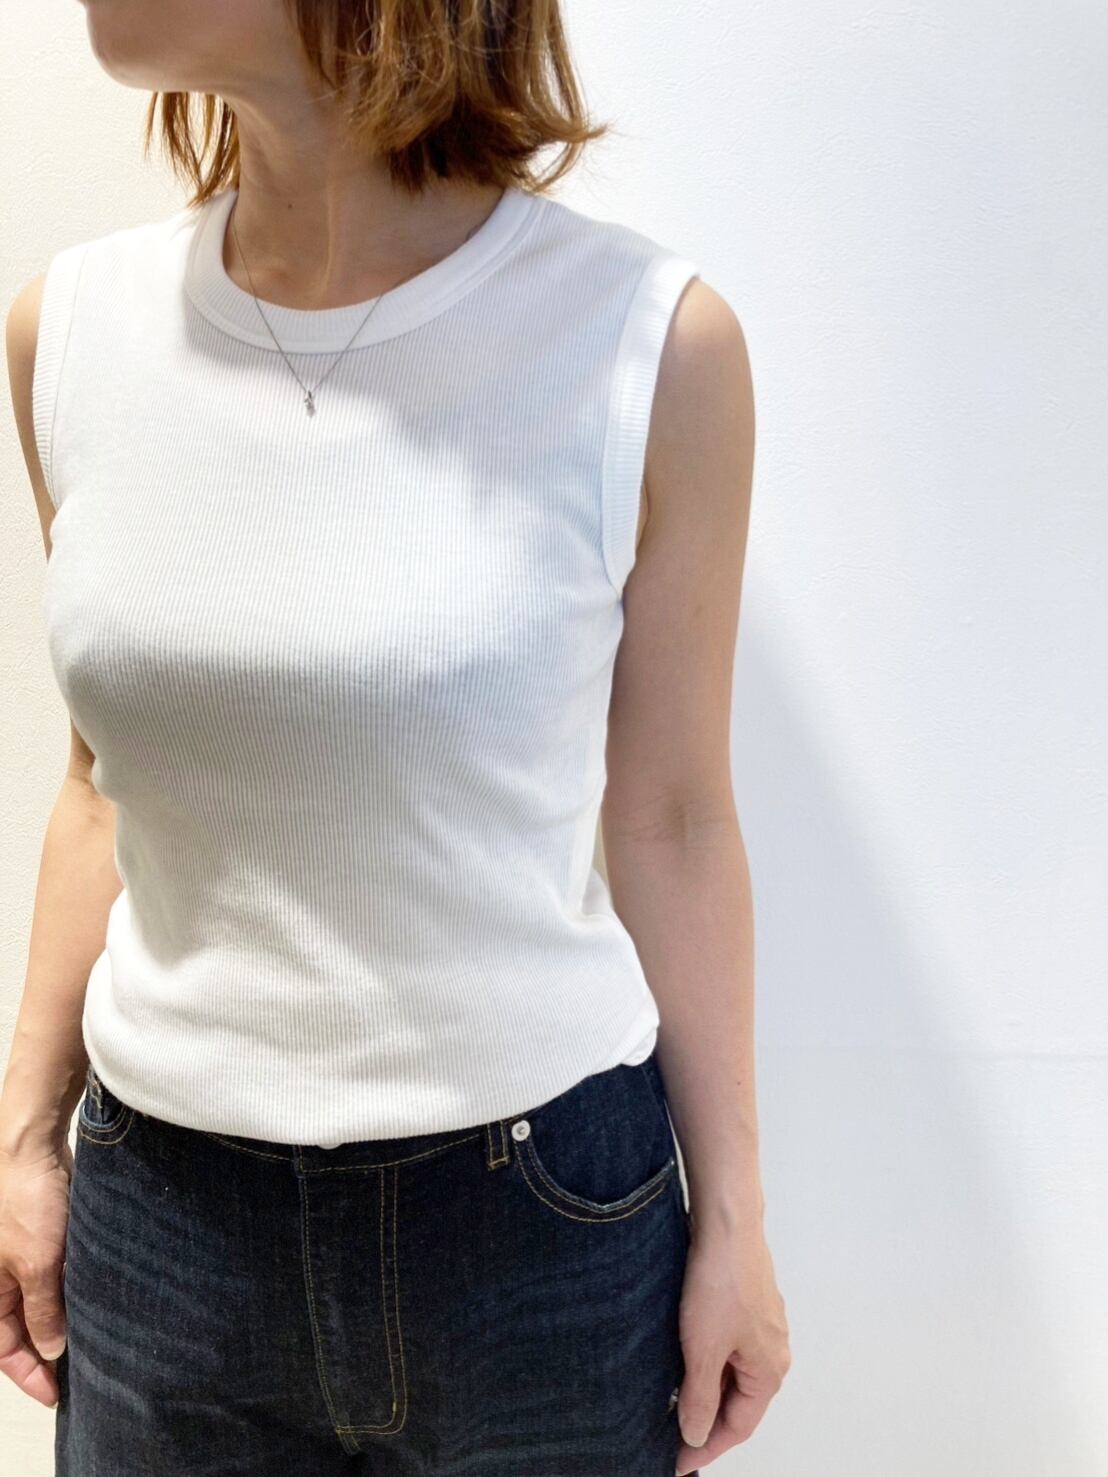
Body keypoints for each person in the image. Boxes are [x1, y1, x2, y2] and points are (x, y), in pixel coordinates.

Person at [1, 1, 790, 1472]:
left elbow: (674, 813)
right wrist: (22, 1140)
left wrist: (736, 1223)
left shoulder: (646, 345)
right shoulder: (69, 332)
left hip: (541, 1235)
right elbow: (103, 786)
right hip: (161, 1235)